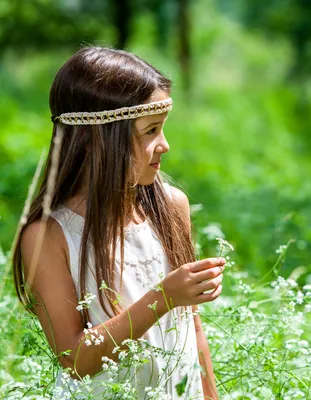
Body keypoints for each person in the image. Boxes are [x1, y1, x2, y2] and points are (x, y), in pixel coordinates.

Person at [12, 47, 224, 399]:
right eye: (151, 131)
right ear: (99, 139)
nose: (165, 145)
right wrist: (163, 297)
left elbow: (192, 327)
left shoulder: (171, 206)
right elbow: (75, 359)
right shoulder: (48, 236)